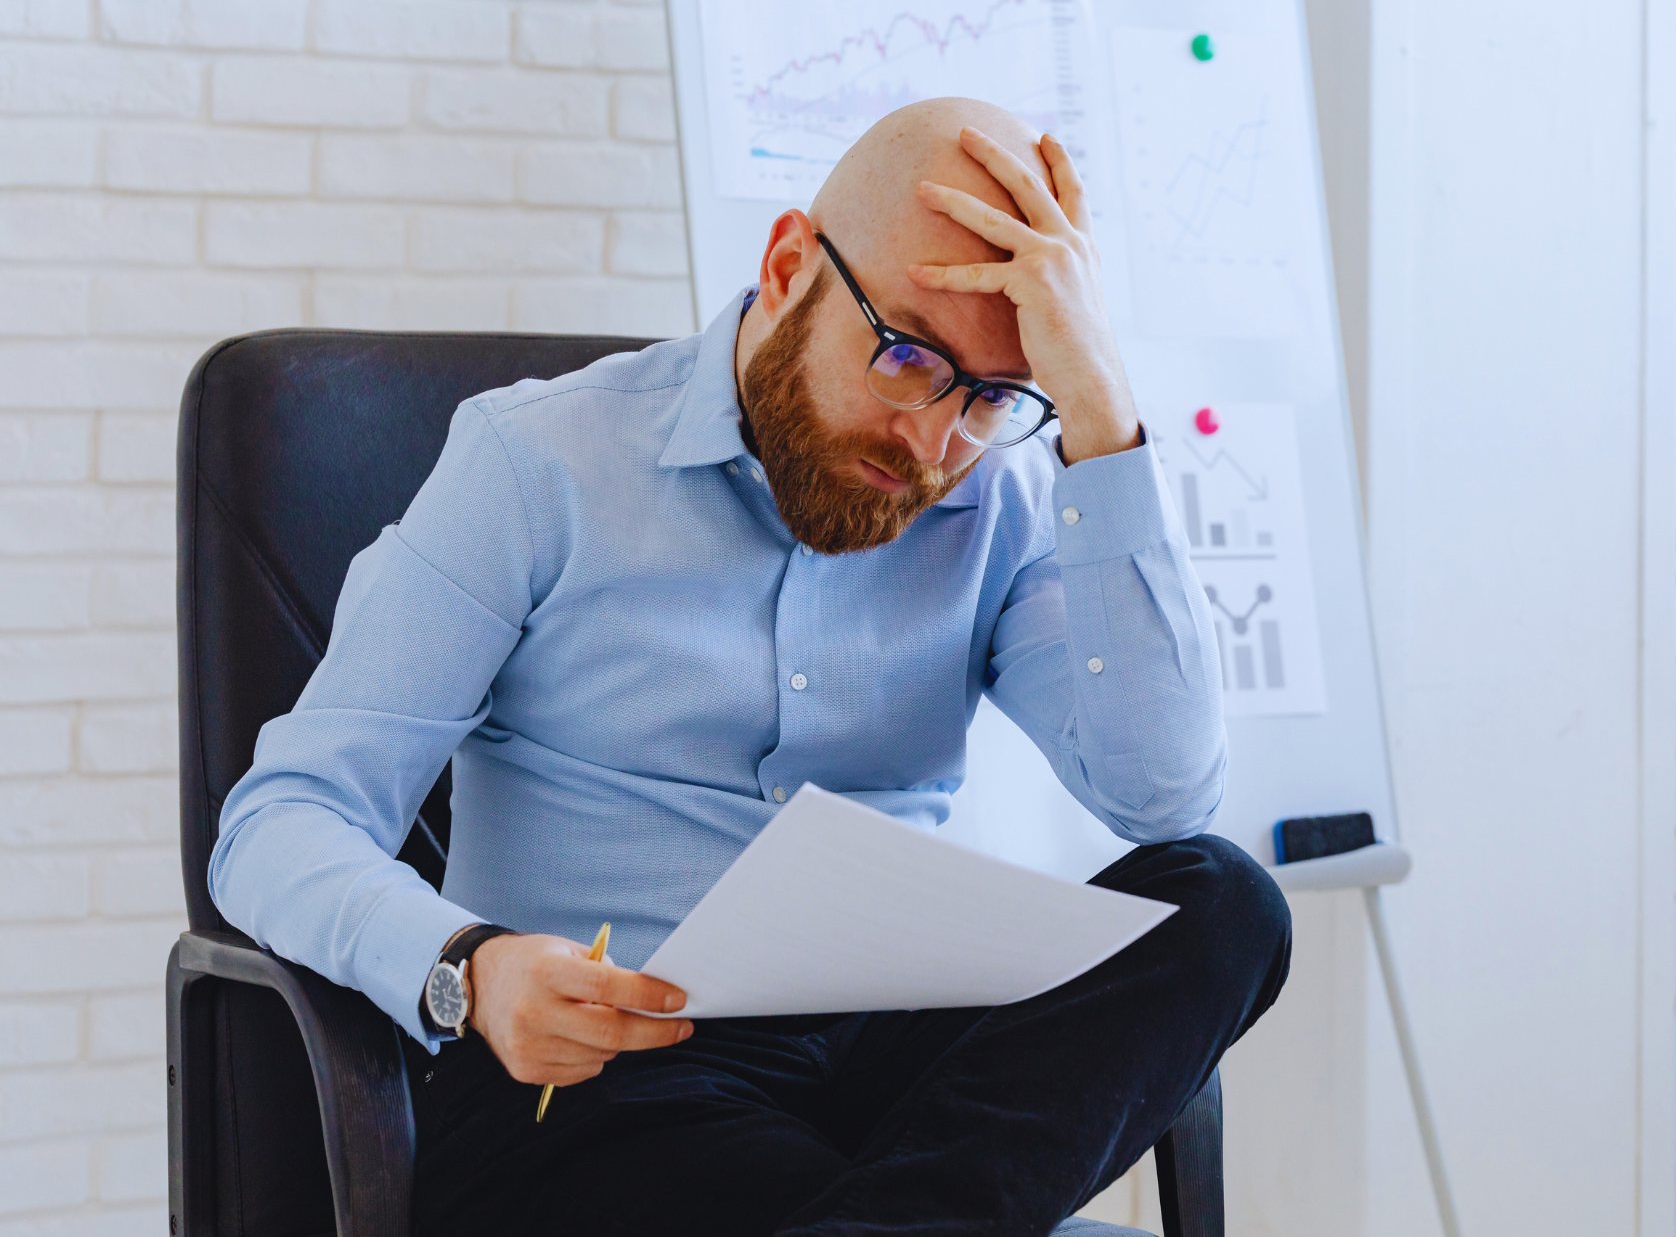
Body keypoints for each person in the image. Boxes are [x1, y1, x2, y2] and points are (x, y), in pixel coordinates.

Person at [210, 96, 1291, 1236]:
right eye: (912, 358)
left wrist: (1100, 418)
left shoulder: (1004, 497)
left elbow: (1162, 794)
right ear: (788, 268)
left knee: (1225, 903)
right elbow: (280, 820)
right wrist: (469, 968)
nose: (934, 444)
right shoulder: (537, 465)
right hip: (604, 1081)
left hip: (885, 1067)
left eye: (991, 397)